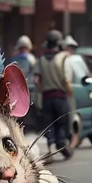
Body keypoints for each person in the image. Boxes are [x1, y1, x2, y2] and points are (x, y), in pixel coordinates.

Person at [34, 29, 74, 162]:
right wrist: (69, 93)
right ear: (59, 43)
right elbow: (67, 80)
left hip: (47, 97)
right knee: (62, 122)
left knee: (49, 123)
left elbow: (36, 80)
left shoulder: (41, 58)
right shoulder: (63, 58)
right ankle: (61, 144)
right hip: (61, 96)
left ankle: (50, 148)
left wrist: (42, 90)